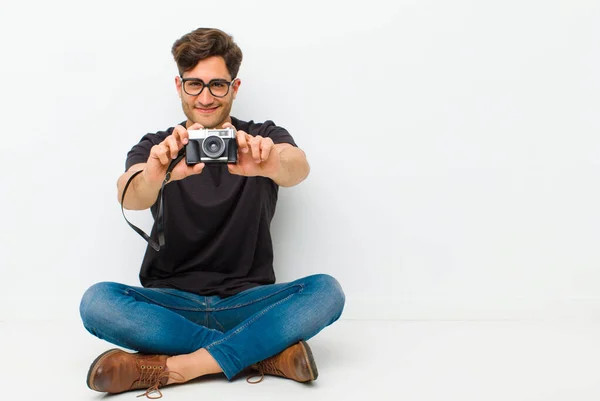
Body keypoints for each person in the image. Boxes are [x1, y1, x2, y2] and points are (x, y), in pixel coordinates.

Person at [79, 27, 345, 398]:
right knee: (96, 302)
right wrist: (157, 173)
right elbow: (130, 195)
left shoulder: (259, 138)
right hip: (172, 305)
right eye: (194, 84)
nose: (205, 97)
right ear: (179, 85)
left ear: (234, 88)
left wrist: (268, 165)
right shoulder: (159, 146)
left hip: (246, 302)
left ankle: (177, 368)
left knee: (327, 292)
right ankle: (259, 355)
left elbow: (298, 167)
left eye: (217, 85)